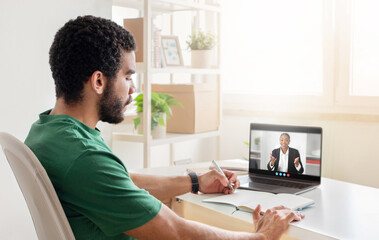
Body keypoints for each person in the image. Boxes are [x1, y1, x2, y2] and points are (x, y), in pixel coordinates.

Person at [24, 15, 304, 240]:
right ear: (99, 82)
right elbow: (175, 231)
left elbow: (119, 181)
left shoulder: (47, 132)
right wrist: (263, 237)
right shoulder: (84, 156)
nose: (133, 90)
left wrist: (194, 182)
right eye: (128, 77)